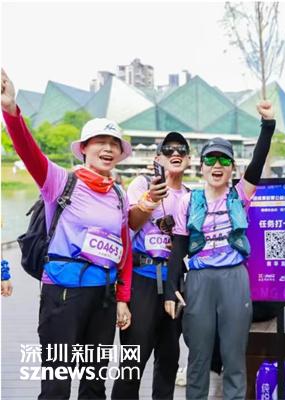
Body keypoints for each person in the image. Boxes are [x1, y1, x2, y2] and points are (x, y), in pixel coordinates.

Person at [2, 69, 133, 399]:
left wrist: (122, 298)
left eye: (114, 144)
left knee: (94, 384)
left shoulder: (119, 195)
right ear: (84, 148)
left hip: (103, 297)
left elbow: (124, 251)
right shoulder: (61, 182)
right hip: (63, 293)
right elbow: (29, 153)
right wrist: (11, 111)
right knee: (57, 384)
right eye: (100, 142)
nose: (108, 149)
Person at [164, 101, 276, 399]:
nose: (217, 166)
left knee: (234, 356)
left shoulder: (240, 195)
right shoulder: (188, 201)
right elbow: (178, 246)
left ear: (232, 168)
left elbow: (257, 160)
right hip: (199, 280)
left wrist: (268, 125)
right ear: (201, 166)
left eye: (224, 161)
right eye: (211, 160)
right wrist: (170, 289)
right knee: (198, 356)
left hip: (234, 278)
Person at [112, 132, 191, 399]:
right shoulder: (142, 184)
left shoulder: (190, 197)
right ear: (158, 158)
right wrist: (150, 199)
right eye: (168, 150)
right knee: (133, 360)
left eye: (181, 150)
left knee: (169, 359)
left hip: (174, 283)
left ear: (189, 159)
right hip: (142, 278)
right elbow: (130, 223)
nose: (175, 153)